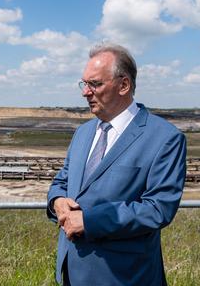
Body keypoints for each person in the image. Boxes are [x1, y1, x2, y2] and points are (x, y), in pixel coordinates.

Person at [47, 43, 187, 285]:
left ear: (124, 85)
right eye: (84, 84)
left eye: (96, 84)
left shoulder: (165, 138)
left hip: (124, 276)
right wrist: (57, 201)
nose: (85, 92)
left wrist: (89, 221)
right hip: (72, 273)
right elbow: (62, 180)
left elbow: (158, 209)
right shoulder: (83, 133)